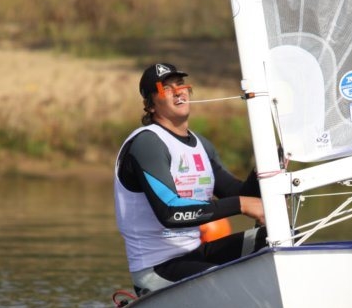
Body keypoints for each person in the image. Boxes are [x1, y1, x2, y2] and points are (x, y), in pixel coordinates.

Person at [114, 62, 267, 295]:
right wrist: (242, 205)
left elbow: (242, 194)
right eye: (166, 88)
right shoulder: (147, 144)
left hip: (195, 253)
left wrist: (264, 166)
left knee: (277, 238)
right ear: (150, 105)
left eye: (180, 85)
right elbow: (170, 213)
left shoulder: (201, 145)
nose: (178, 92)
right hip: (157, 269)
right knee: (227, 280)